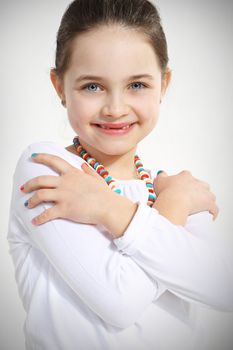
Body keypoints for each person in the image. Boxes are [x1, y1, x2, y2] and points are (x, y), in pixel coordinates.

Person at [7, 0, 233, 349]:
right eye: (92, 87)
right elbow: (119, 301)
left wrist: (106, 207)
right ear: (58, 86)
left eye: (138, 85)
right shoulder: (47, 167)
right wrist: (170, 209)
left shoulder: (172, 188)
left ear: (164, 84)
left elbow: (223, 289)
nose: (115, 108)